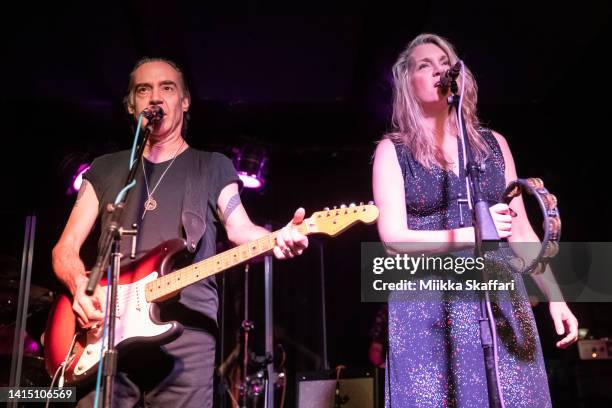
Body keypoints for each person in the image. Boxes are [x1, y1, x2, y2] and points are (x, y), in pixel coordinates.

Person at [51, 57, 308, 407]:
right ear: (131, 105)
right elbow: (64, 249)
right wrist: (79, 287)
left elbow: (240, 229)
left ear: (184, 102)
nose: (155, 97)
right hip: (102, 334)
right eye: (144, 90)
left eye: (167, 88)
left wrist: (277, 237)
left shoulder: (212, 166)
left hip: (186, 338)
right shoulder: (105, 169)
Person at [372, 34, 578, 407]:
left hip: (499, 297)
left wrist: (557, 298)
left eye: (444, 61)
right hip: (427, 305)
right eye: (424, 65)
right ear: (407, 82)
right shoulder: (393, 151)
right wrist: (473, 234)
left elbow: (521, 231)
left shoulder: (493, 144)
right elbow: (393, 239)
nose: (438, 70)